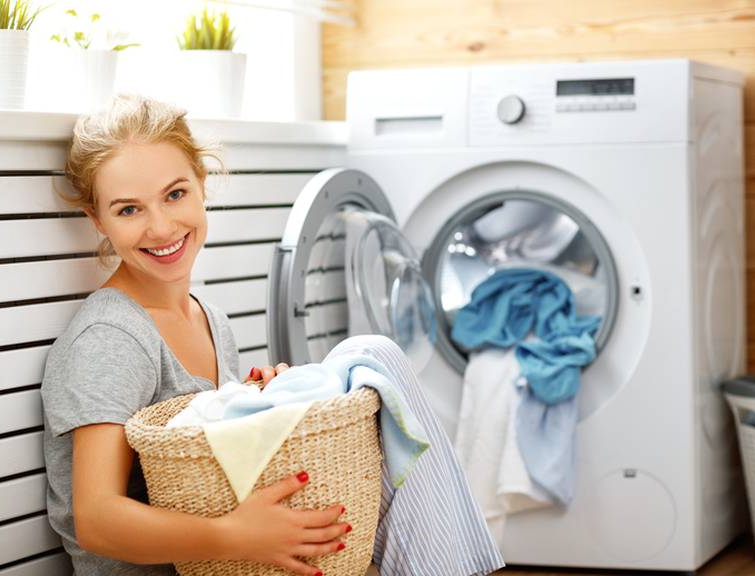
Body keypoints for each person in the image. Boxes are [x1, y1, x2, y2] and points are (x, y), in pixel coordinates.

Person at [41, 94, 503, 576]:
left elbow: (208, 468)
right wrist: (234, 535)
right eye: (129, 210)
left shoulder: (210, 320)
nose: (161, 226)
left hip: (230, 564)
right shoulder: (111, 338)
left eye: (175, 194)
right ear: (97, 221)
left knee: (372, 363)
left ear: (202, 185)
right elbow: (96, 521)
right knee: (372, 353)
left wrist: (264, 404)